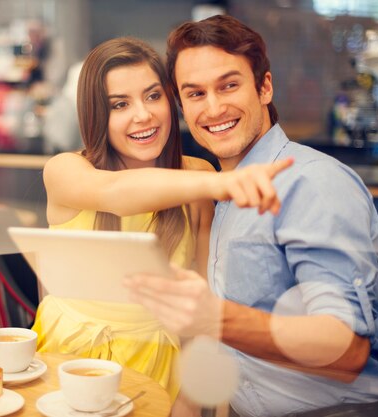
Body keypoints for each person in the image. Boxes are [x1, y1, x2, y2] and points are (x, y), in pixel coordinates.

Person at [125, 15, 378, 417]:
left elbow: (348, 350)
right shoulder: (223, 195)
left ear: (264, 87)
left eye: (229, 85)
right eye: (195, 94)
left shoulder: (311, 183)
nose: (214, 107)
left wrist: (216, 318)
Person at [30, 36, 292, 410]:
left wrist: (186, 402)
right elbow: (115, 194)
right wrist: (221, 182)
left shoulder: (196, 176)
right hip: (65, 359)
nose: (143, 115)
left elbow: (202, 314)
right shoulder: (67, 170)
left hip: (156, 365)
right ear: (96, 114)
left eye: (153, 96)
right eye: (120, 104)